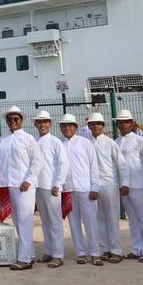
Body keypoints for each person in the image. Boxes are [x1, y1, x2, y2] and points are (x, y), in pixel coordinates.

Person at [0, 105, 42, 271]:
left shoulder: (29, 139)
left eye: (16, 119)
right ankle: (30, 254)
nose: (13, 122)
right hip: (9, 184)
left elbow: (37, 161)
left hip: (24, 186)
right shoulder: (2, 140)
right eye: (9, 119)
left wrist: (28, 180)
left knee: (25, 220)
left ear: (22, 120)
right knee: (17, 221)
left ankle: (24, 259)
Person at [60, 114, 102, 266]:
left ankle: (95, 253)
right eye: (64, 126)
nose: (67, 128)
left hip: (86, 189)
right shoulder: (60, 145)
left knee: (90, 222)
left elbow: (94, 166)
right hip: (68, 190)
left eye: (70, 125)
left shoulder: (85, 143)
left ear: (76, 127)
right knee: (74, 222)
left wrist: (95, 187)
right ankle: (80, 253)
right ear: (60, 128)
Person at [116, 110, 143, 262]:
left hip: (139, 185)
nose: (124, 125)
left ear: (132, 123)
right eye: (121, 122)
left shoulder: (140, 141)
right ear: (117, 124)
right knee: (132, 220)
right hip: (124, 187)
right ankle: (137, 249)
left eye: (127, 122)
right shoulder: (116, 142)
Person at [34, 110, 69, 268]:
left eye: (45, 121)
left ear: (50, 124)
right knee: (45, 221)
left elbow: (63, 164)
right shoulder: (34, 141)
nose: (43, 124)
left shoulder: (55, 142)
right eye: (40, 122)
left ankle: (58, 254)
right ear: (36, 124)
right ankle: (49, 251)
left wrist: (58, 184)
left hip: (51, 187)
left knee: (55, 221)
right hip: (38, 187)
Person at [87, 113, 123, 263]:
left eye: (98, 124)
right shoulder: (87, 144)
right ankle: (104, 249)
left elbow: (121, 164)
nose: (95, 126)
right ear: (89, 126)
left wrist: (123, 184)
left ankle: (116, 250)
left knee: (112, 218)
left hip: (109, 184)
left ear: (103, 126)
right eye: (92, 124)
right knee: (99, 218)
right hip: (94, 186)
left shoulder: (110, 143)